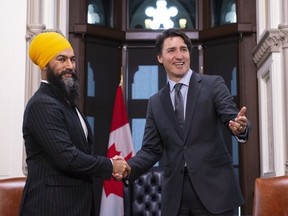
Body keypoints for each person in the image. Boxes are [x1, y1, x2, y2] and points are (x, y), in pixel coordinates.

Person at [124, 29, 251, 216]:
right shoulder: (156, 102)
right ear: (160, 57)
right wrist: (128, 168)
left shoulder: (213, 85)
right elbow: (151, 149)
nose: (179, 56)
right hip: (176, 197)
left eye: (183, 49)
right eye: (171, 50)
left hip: (215, 192)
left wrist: (240, 128)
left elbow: (233, 118)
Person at [19, 31, 130, 216]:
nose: (69, 66)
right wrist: (110, 165)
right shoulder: (42, 104)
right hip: (51, 207)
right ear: (45, 65)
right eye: (61, 59)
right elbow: (68, 158)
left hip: (77, 205)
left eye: (72, 59)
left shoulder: (66, 102)